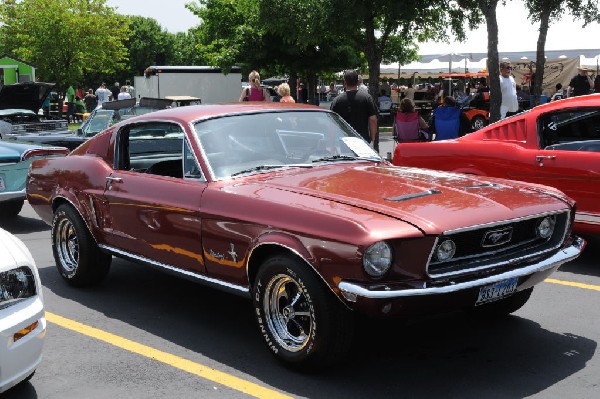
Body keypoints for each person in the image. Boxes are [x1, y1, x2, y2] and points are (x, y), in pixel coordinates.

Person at [330, 69, 378, 147]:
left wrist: (332, 145)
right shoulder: (367, 98)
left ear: (345, 82)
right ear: (357, 82)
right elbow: (373, 120)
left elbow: (332, 125)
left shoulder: (337, 100)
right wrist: (372, 140)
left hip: (344, 143)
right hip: (363, 141)